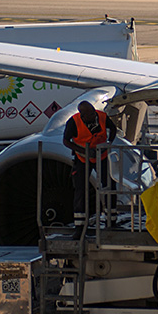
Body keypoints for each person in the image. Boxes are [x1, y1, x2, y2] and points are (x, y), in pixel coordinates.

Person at [62, 100, 117, 238]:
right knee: (81, 189)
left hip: (101, 155)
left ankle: (111, 220)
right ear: (82, 115)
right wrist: (83, 151)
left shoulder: (102, 116)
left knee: (109, 185)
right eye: (90, 115)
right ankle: (80, 226)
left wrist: (109, 143)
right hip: (82, 158)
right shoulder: (74, 122)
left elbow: (113, 129)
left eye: (94, 112)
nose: (93, 116)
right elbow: (66, 141)